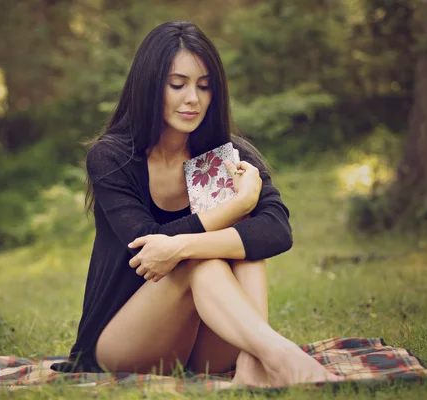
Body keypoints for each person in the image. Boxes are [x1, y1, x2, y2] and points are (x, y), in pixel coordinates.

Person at [59, 21, 344, 388]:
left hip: (204, 351)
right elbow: (148, 250)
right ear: (149, 85)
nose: (193, 98)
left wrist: (182, 245)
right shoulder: (114, 158)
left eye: (204, 86)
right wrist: (237, 205)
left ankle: (252, 363)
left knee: (242, 247)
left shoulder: (225, 157)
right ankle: (280, 357)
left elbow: (277, 231)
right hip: (123, 344)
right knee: (200, 260)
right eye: (177, 84)